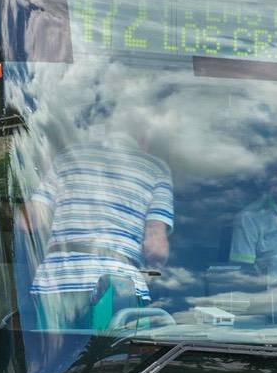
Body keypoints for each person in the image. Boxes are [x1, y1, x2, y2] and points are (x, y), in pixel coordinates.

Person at [26, 127, 174, 342]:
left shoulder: (68, 157)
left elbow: (30, 219)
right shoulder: (155, 167)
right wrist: (157, 269)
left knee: (54, 361)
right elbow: (155, 245)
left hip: (56, 279)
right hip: (117, 284)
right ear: (143, 136)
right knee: (110, 362)